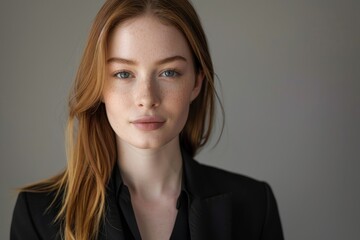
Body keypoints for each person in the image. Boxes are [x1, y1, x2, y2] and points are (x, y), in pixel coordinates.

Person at [10, 0, 284, 239]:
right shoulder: (38, 215)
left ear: (197, 83)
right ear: (98, 85)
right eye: (123, 74)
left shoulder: (254, 206)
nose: (146, 98)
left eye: (169, 73)